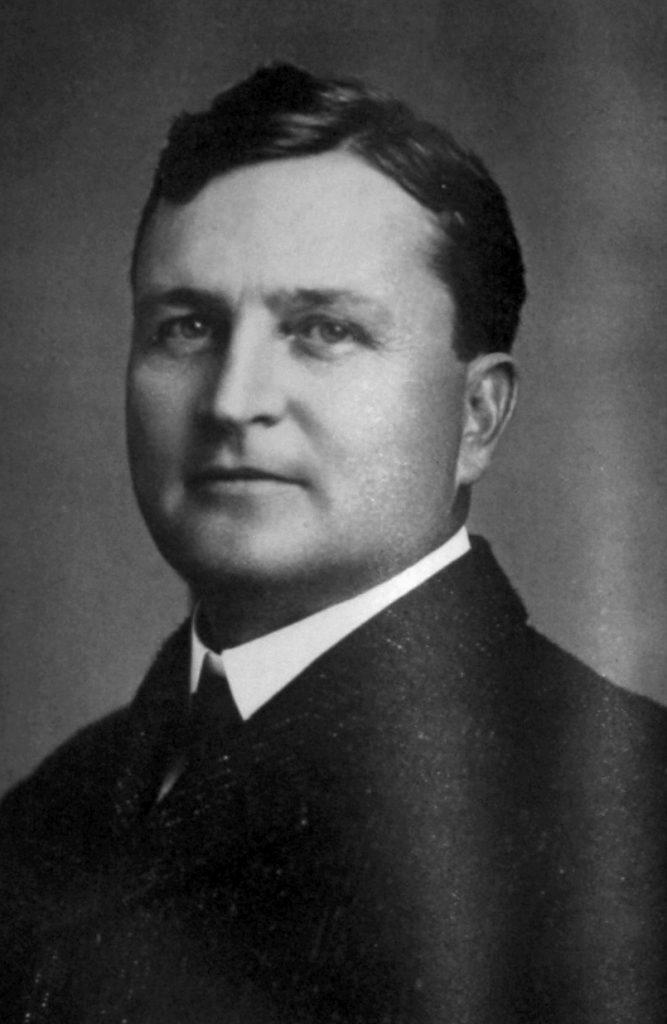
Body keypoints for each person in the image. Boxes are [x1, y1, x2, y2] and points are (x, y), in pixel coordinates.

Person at [1, 63, 665, 1024]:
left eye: (322, 330)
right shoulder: (53, 810)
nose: (233, 401)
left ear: (476, 416)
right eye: (185, 326)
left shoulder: (624, 811)